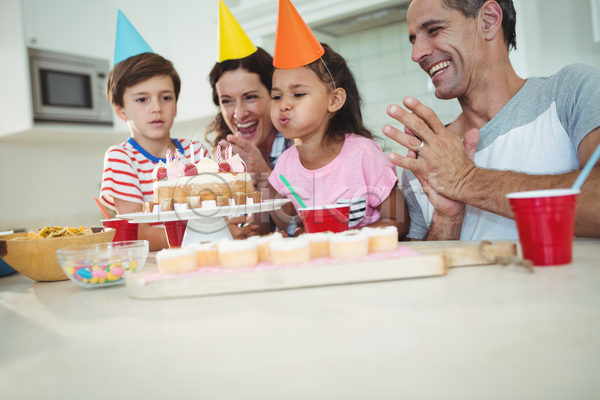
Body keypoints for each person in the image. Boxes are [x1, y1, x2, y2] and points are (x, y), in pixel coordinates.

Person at [383, 0, 600, 240]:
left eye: (434, 30)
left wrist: (467, 180)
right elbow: (425, 272)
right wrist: (447, 220)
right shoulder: (428, 157)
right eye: (414, 39)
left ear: (488, 20)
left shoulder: (573, 92)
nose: (416, 54)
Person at [268, 42, 408, 235]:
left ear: (334, 100)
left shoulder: (363, 155)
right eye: (276, 96)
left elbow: (398, 222)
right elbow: (300, 225)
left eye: (298, 94)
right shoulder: (285, 166)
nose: (283, 105)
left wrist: (343, 237)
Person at [100, 52, 207, 251]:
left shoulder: (197, 152)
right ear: (120, 110)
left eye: (166, 97)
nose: (157, 108)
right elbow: (140, 234)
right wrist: (207, 236)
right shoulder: (122, 158)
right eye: (142, 100)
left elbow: (219, 211)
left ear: (175, 106)